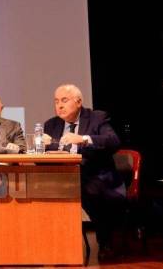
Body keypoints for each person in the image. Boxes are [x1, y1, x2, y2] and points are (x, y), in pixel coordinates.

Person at [44, 84, 125, 260]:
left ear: (79, 102)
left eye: (64, 100)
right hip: (63, 178)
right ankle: (52, 245)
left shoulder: (97, 118)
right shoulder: (51, 125)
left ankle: (105, 242)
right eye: (56, 101)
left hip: (95, 175)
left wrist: (83, 139)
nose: (59, 105)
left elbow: (113, 141)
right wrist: (44, 145)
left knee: (90, 190)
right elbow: (45, 155)